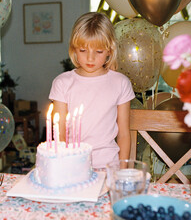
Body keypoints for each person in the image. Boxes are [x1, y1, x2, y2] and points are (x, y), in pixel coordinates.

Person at [49, 12, 135, 170]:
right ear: (74, 49)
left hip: (109, 166)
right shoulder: (62, 83)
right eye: (83, 50)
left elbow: (123, 134)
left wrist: (122, 171)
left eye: (99, 51)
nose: (90, 58)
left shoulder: (121, 83)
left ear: (110, 50)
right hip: (73, 165)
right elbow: (60, 134)